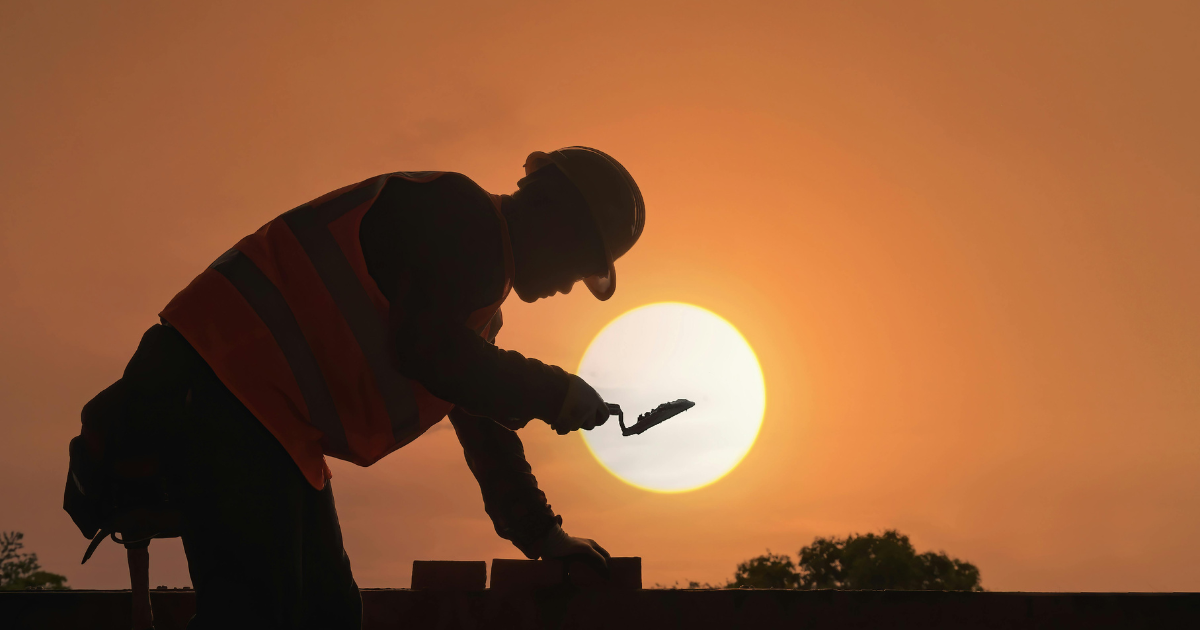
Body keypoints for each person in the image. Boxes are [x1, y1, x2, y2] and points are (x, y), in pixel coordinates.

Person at [109, 147, 645, 629]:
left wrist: (541, 534)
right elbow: (431, 353)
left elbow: (477, 413)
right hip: (222, 386)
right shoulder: (461, 217)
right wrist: (553, 392)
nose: (572, 283)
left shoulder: (474, 290)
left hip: (266, 415)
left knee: (327, 615)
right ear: (552, 215)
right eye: (582, 260)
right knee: (259, 615)